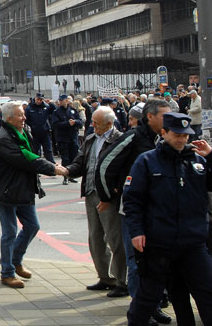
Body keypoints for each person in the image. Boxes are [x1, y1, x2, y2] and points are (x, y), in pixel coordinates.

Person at [124, 113, 212, 324]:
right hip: (159, 243)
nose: (182, 139)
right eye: (177, 134)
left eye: (186, 135)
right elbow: (133, 201)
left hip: (193, 243)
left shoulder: (198, 161)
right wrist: (136, 232)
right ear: (164, 133)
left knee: (207, 293)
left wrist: (210, 157)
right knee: (147, 298)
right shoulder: (147, 161)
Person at [96, 98, 173, 325]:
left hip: (159, 212)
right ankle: (141, 310)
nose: (169, 120)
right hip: (134, 210)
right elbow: (105, 165)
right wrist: (108, 196)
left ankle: (154, 306)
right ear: (150, 117)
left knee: (157, 262)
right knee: (136, 261)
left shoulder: (163, 139)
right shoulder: (132, 137)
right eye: (164, 115)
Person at [0, 101, 67, 288]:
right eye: (20, 115)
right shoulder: (3, 138)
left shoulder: (23, 131)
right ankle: (7, 272)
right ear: (9, 118)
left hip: (24, 188)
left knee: (32, 226)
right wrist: (52, 168)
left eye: (23, 114)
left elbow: (32, 155)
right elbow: (26, 158)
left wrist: (50, 166)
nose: (24, 118)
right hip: (7, 191)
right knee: (9, 233)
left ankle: (16, 260)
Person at [64, 107, 127, 297]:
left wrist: (116, 189)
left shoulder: (120, 140)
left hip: (109, 196)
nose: (93, 126)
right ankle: (105, 277)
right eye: (92, 122)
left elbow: (123, 169)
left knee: (115, 239)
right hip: (91, 193)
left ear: (110, 123)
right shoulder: (91, 139)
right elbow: (80, 163)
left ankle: (122, 281)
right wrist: (66, 170)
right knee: (95, 239)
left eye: (96, 124)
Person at [52, 94, 81, 184]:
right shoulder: (56, 112)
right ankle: (65, 177)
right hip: (63, 138)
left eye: (62, 100)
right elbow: (55, 124)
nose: (61, 102)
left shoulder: (73, 110)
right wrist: (67, 123)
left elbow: (80, 121)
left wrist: (75, 122)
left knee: (73, 157)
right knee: (65, 158)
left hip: (73, 137)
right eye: (60, 100)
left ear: (67, 101)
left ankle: (71, 175)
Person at [24, 93, 56, 163]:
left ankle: (52, 167)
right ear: (35, 98)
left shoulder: (46, 106)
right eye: (38, 99)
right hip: (34, 133)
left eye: (41, 99)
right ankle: (36, 168)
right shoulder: (29, 108)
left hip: (45, 132)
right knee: (35, 151)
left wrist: (50, 103)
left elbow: (55, 110)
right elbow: (26, 119)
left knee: (48, 151)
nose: (39, 101)